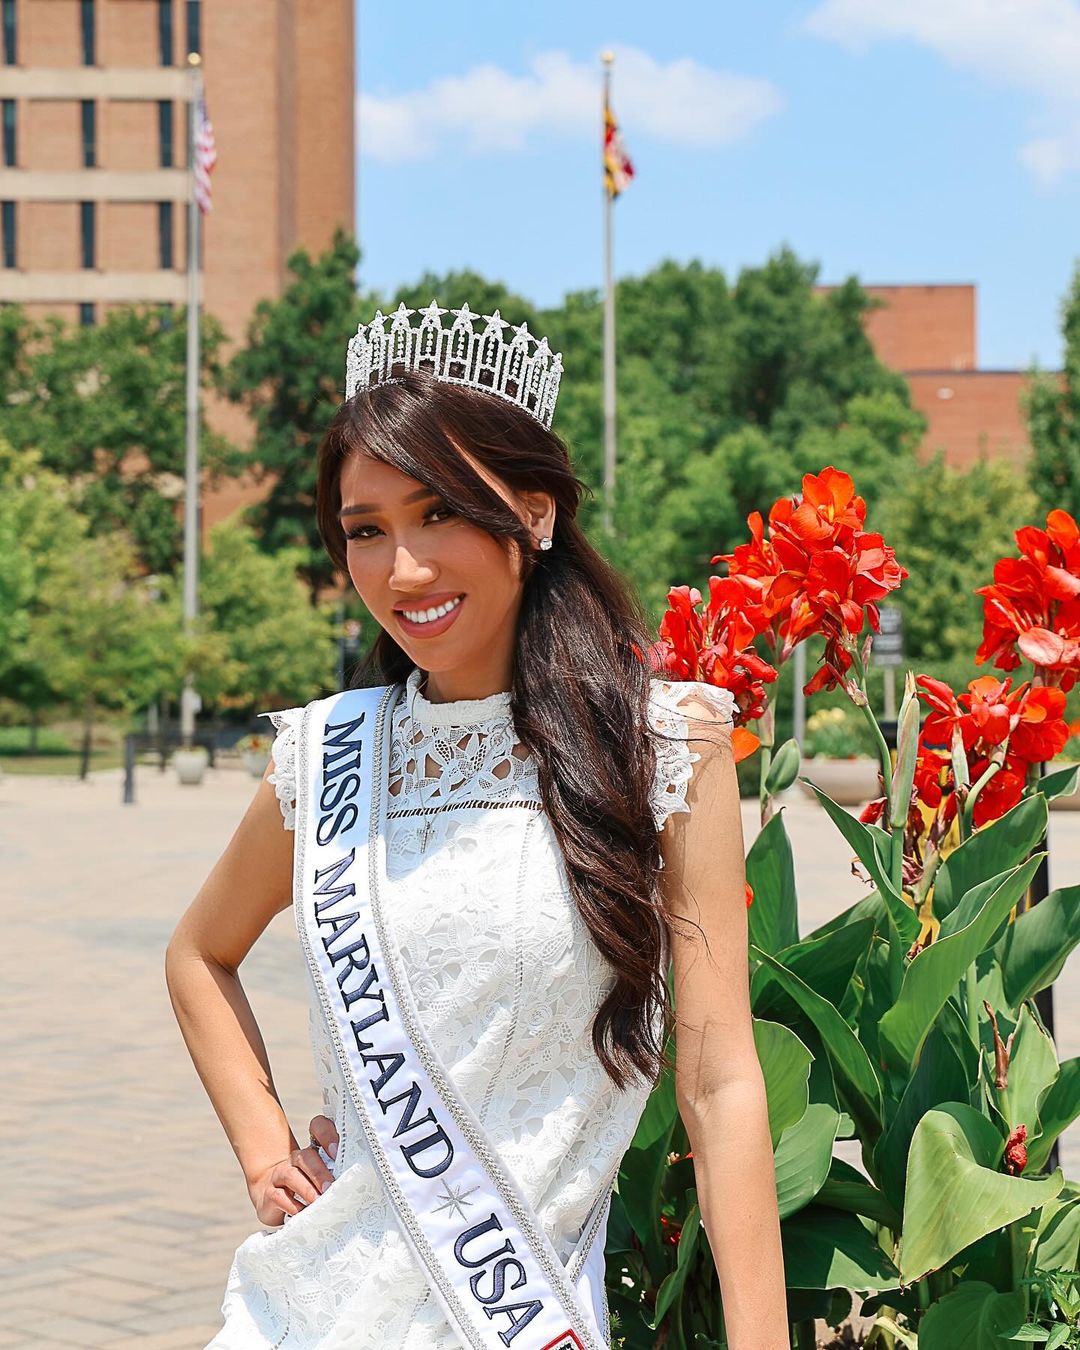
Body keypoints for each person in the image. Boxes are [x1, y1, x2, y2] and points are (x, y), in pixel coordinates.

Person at [165, 301, 788, 1350]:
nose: (402, 570)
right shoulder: (327, 760)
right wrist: (264, 1144)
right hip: (312, 1311)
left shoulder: (666, 747)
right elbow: (197, 953)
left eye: (439, 512)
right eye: (366, 530)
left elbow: (720, 1081)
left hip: (519, 1312)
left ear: (534, 513)